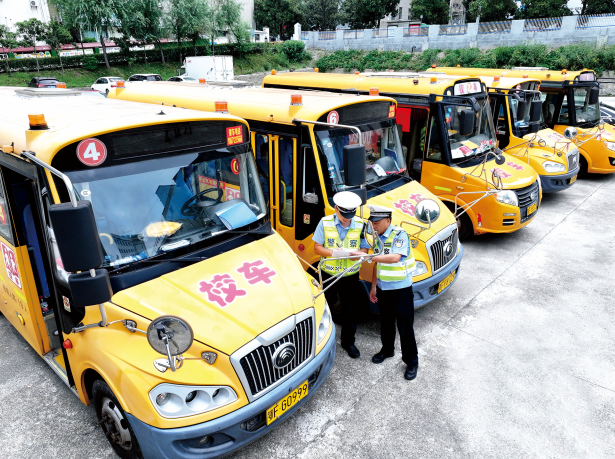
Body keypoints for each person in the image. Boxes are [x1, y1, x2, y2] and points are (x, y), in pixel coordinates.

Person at [313, 191, 369, 358]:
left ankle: (348, 342)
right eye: (344, 215)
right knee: (325, 307)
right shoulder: (324, 222)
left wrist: (358, 254)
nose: (347, 219)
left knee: (350, 309)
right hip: (328, 272)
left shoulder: (361, 225)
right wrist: (334, 253)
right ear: (336, 209)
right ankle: (322, 342)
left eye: (350, 215)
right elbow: (317, 248)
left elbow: (365, 249)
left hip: (350, 274)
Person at [367, 205, 419, 381]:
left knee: (405, 326)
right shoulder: (377, 237)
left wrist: (369, 257)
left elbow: (395, 257)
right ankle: (387, 350)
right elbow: (377, 264)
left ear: (388, 221)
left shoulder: (399, 235)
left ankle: (411, 361)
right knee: (386, 322)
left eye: (377, 222)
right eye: (372, 222)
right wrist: (373, 287)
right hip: (384, 288)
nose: (374, 226)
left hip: (401, 289)